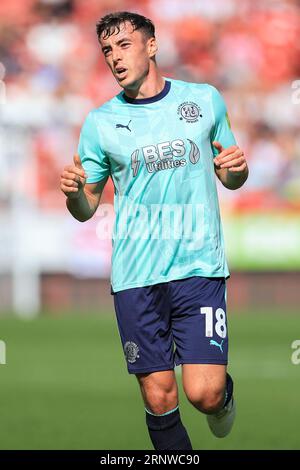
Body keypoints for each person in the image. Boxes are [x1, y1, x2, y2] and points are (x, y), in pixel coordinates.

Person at [60, 11, 248, 450]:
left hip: (198, 266)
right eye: (108, 50)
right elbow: (86, 207)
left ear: (151, 45)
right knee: (159, 395)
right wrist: (73, 194)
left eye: (124, 45)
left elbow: (230, 174)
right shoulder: (100, 123)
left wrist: (237, 170)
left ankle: (224, 398)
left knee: (204, 393)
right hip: (136, 276)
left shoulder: (204, 100)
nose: (115, 57)